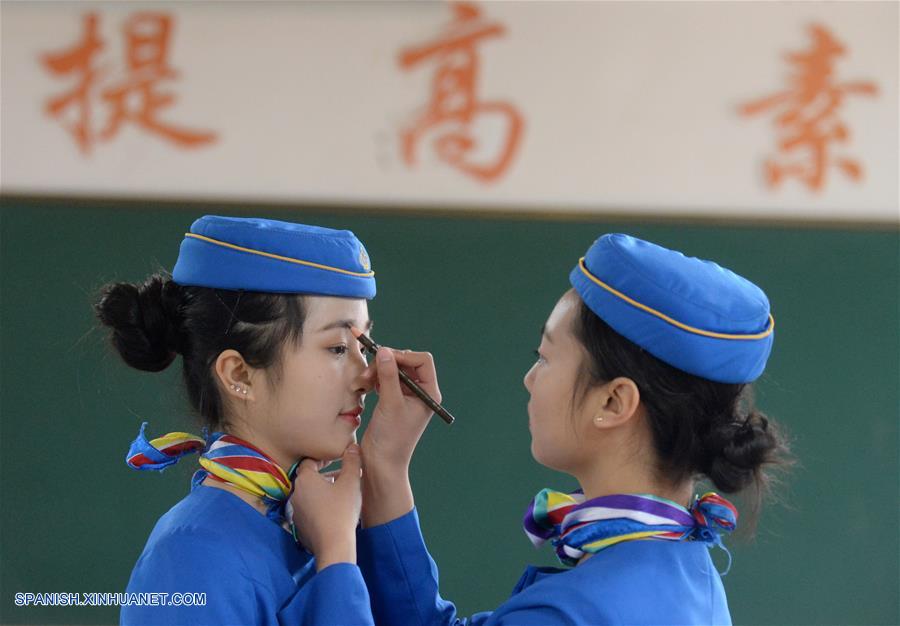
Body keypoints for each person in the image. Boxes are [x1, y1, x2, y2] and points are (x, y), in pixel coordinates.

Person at [329, 233, 791, 625]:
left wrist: (333, 556)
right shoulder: (683, 570)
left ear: (613, 402)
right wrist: (386, 465)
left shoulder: (576, 611)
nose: (529, 379)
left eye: (545, 358)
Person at [95, 215, 433, 625]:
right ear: (239, 374)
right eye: (339, 347)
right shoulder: (192, 557)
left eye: (365, 344)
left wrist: (378, 483)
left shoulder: (319, 524)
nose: (368, 375)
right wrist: (337, 557)